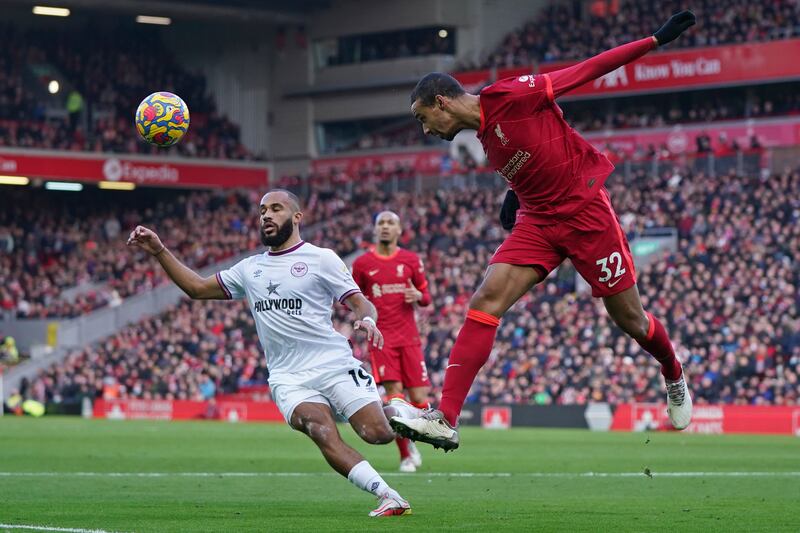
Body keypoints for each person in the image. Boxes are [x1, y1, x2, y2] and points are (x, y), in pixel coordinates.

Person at [391, 11, 697, 451]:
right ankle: (445, 418)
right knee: (485, 301)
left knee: (630, 320)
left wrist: (653, 40)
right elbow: (531, 157)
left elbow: (587, 69)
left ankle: (673, 372)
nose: (426, 130)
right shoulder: (483, 138)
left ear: (442, 102)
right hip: (538, 221)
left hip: (586, 213)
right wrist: (514, 195)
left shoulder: (512, 95)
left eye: (424, 119)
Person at [127, 189, 420, 517]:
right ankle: (388, 495)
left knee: (376, 434)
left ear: (297, 217)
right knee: (319, 428)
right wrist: (159, 250)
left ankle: (404, 413)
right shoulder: (249, 269)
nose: (266, 215)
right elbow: (196, 288)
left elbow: (358, 300)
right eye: (262, 210)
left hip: (333, 363)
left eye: (276, 209)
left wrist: (366, 318)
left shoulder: (321, 258)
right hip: (288, 376)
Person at [352, 211, 432, 472]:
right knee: (395, 400)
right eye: (381, 223)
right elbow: (355, 298)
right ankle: (406, 453)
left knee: (420, 399)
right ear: (375, 230)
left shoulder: (411, 260)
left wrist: (417, 294)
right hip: (381, 341)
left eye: (391, 223)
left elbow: (427, 297)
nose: (385, 227)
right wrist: (361, 318)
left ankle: (413, 438)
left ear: (399, 230)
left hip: (409, 338)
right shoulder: (363, 264)